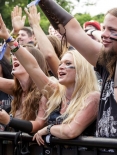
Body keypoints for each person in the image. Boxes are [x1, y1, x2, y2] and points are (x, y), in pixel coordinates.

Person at [38, 0, 117, 146]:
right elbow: (72, 31)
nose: (104, 34)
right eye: (104, 28)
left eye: (112, 30)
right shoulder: (109, 63)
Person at [0, 11, 100, 145]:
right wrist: (8, 38)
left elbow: (71, 131)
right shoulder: (56, 92)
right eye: (61, 63)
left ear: (81, 71)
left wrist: (48, 129)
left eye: (68, 64)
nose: (61, 67)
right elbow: (33, 67)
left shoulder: (92, 97)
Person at [0, 44, 48, 133]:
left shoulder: (45, 92)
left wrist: (9, 120)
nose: (14, 58)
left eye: (20, 56)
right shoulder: (19, 90)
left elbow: (38, 125)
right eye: (14, 55)